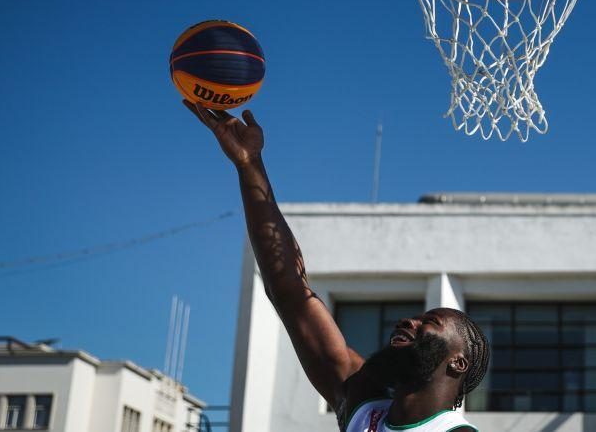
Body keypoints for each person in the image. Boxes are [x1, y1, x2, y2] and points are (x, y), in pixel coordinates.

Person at [184, 103, 489, 432]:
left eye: (430, 322)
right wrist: (249, 165)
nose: (408, 321)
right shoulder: (364, 407)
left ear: (458, 363)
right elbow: (292, 296)